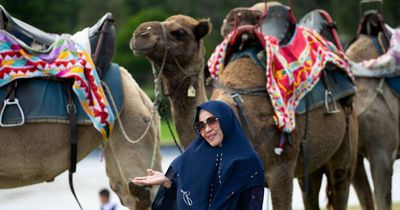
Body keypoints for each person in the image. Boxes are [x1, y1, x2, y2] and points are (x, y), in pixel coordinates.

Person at [132, 100, 264, 210]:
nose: (207, 129)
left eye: (211, 121)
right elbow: (188, 200)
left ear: (226, 119)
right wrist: (168, 183)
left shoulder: (249, 163)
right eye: (201, 125)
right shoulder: (193, 157)